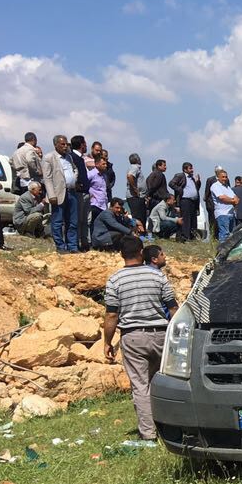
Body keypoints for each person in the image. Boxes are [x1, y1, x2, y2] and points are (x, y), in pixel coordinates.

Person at [102, 235, 177, 444]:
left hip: (133, 337)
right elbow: (172, 307)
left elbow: (111, 315)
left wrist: (107, 342)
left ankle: (148, 434)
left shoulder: (115, 280)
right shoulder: (157, 277)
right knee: (165, 382)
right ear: (141, 252)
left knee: (140, 386)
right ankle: (171, 430)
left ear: (121, 254)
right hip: (161, 335)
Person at [40, 135, 78, 253]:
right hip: (58, 193)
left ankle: (72, 246)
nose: (65, 146)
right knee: (57, 221)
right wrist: (51, 195)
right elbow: (47, 177)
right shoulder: (49, 158)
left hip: (71, 192)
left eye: (66, 144)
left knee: (72, 221)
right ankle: (60, 246)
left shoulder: (69, 158)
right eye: (62, 144)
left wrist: (74, 178)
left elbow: (75, 169)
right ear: (56, 145)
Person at [68, 136, 92, 251]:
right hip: (79, 193)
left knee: (85, 220)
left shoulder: (81, 158)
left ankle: (84, 242)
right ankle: (76, 243)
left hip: (85, 192)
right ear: (82, 144)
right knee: (78, 219)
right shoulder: (73, 157)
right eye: (85, 143)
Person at [169, 162, 201, 242]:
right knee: (186, 219)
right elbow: (171, 183)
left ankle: (192, 237)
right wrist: (180, 190)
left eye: (192, 168)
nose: (192, 170)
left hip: (193, 201)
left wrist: (198, 182)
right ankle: (185, 237)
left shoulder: (192, 178)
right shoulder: (180, 176)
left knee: (193, 220)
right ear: (185, 169)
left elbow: (196, 188)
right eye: (190, 168)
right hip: (185, 201)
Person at [209, 168, 239, 240]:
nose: (225, 179)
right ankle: (222, 250)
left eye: (226, 177)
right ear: (218, 178)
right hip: (222, 213)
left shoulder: (227, 187)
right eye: (223, 177)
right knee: (224, 234)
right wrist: (233, 201)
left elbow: (236, 197)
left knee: (232, 235)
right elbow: (222, 198)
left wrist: (235, 200)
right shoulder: (215, 186)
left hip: (231, 213)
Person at [86, 155, 110, 233]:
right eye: (103, 164)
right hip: (94, 204)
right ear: (97, 164)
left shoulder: (104, 176)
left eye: (106, 164)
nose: (105, 166)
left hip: (103, 205)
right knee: (93, 223)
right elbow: (84, 184)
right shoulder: (91, 174)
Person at [126, 153, 147, 223]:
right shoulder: (134, 167)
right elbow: (130, 176)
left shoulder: (136, 168)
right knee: (138, 218)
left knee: (142, 216)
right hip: (135, 197)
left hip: (139, 197)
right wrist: (135, 189)